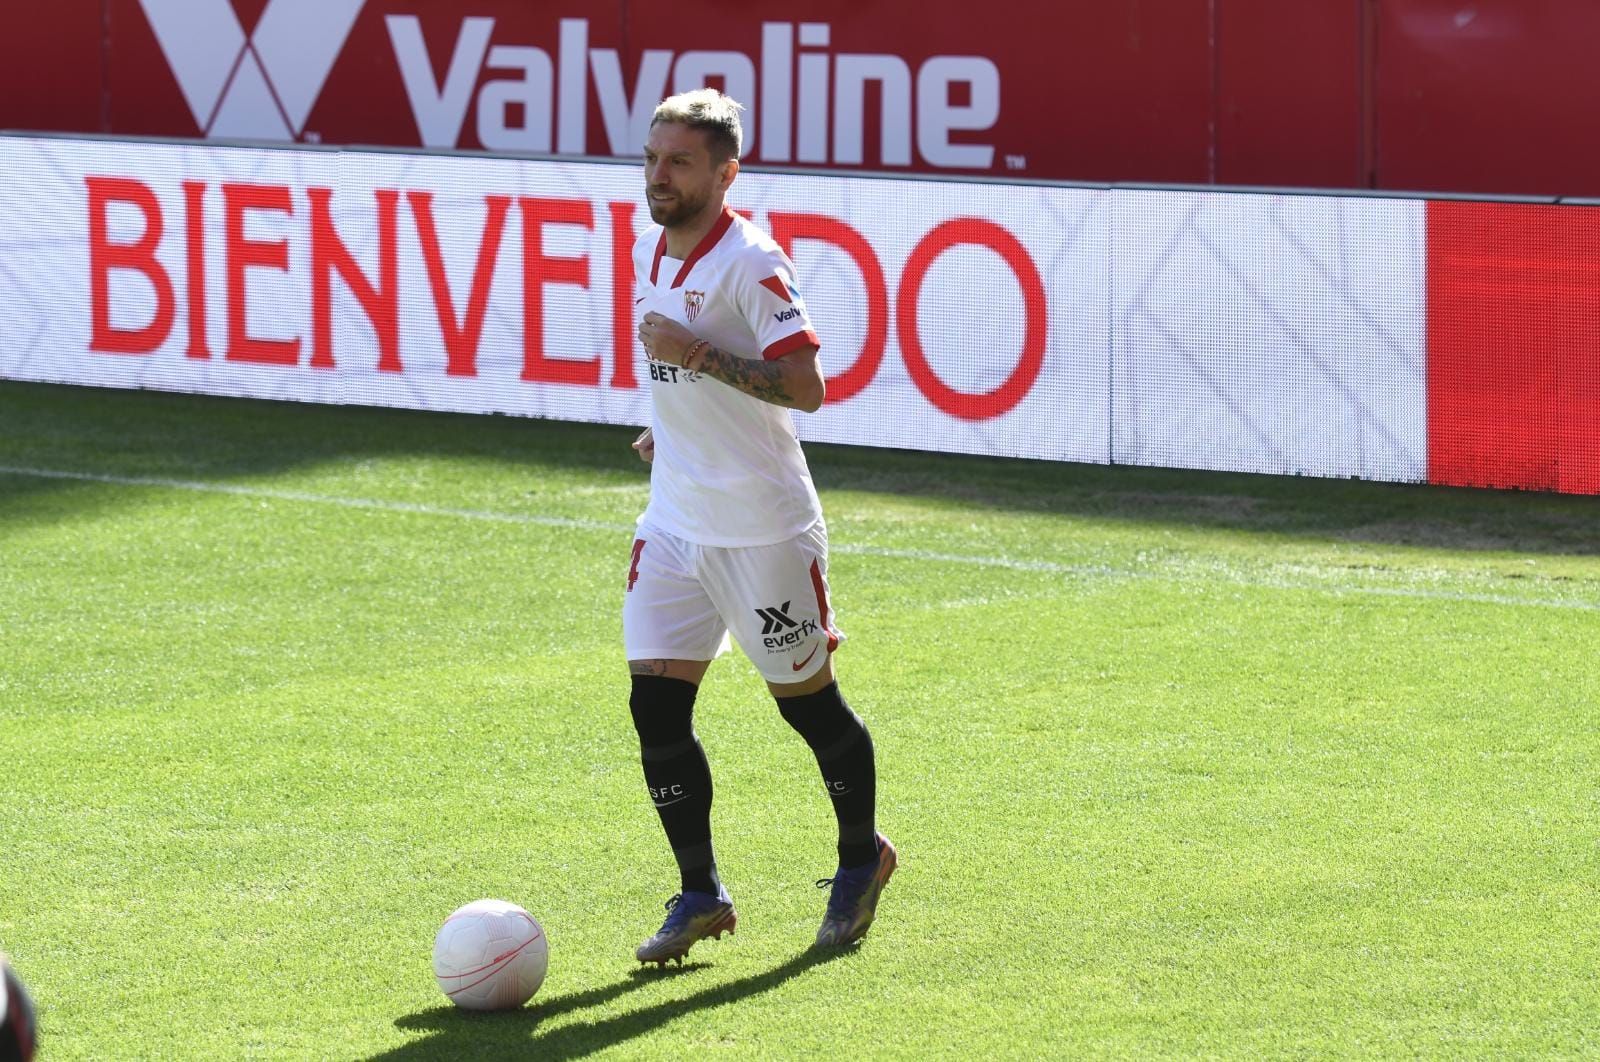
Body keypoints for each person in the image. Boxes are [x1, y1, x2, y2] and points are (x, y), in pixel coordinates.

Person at [623, 88, 894, 966]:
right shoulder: (653, 247)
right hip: (673, 522)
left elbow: (806, 385)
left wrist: (695, 354)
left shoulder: (753, 260)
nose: (659, 175)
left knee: (807, 710)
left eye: (680, 162)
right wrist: (665, 427)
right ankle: (700, 893)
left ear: (725, 173)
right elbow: (679, 373)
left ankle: (862, 860)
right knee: (654, 708)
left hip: (762, 530)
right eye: (655, 156)